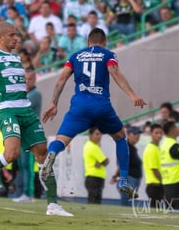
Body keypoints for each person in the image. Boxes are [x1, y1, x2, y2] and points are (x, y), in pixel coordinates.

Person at [0, 21, 73, 216]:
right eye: (12, 35)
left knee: (43, 152)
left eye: (17, 35)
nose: (16, 38)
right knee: (11, 154)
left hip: (26, 110)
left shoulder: (17, 58)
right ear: (1, 37)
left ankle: (52, 205)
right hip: (7, 111)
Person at [40, 28, 146, 203]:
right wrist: (132, 94)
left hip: (79, 107)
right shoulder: (107, 54)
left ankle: (52, 154)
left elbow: (61, 80)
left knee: (61, 139)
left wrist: (54, 103)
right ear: (104, 42)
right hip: (101, 106)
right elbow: (115, 72)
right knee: (120, 137)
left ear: (88, 42)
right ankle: (124, 180)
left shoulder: (75, 56)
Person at [12, 68, 41, 203]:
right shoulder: (24, 94)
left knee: (27, 165)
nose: (27, 81)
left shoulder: (35, 94)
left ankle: (28, 194)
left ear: (34, 79)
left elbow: (19, 108)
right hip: (21, 133)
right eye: (25, 79)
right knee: (22, 164)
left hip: (30, 134)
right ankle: (23, 192)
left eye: (29, 79)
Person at [110, 126, 143, 206]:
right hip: (128, 179)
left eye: (138, 134)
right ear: (127, 134)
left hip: (132, 179)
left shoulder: (131, 148)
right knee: (127, 204)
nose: (137, 136)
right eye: (134, 134)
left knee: (129, 202)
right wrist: (115, 176)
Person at [83, 127, 109, 204]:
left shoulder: (89, 145)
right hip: (95, 177)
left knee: (93, 200)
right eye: (97, 134)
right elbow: (105, 161)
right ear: (90, 135)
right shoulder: (93, 147)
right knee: (95, 201)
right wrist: (102, 162)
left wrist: (100, 163)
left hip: (93, 176)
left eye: (100, 134)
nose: (99, 136)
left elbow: (103, 162)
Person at [143, 123, 164, 208]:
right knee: (155, 210)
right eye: (156, 133)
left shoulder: (157, 148)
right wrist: (164, 182)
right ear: (151, 134)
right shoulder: (151, 149)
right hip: (154, 185)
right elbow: (154, 169)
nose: (159, 135)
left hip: (157, 185)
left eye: (160, 133)